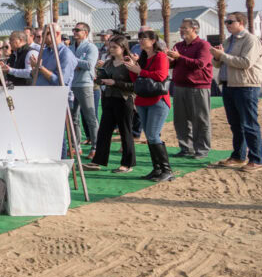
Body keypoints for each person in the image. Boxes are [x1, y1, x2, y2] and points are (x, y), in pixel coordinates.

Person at [212, 12, 262, 172]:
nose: (227, 24)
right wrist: (217, 57)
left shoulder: (251, 40)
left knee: (249, 123)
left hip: (246, 85)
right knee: (235, 124)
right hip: (229, 85)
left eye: (230, 22)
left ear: (241, 22)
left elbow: (246, 63)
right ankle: (238, 156)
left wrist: (222, 56)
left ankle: (256, 159)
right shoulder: (229, 41)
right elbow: (218, 64)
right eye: (226, 22)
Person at [125, 30, 172, 182]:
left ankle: (166, 170)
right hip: (143, 100)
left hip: (158, 99)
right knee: (150, 136)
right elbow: (136, 79)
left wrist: (140, 71)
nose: (140, 40)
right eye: (139, 38)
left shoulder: (161, 56)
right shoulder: (144, 57)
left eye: (144, 38)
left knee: (153, 135)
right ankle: (157, 169)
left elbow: (161, 76)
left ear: (153, 41)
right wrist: (133, 67)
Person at [85, 35, 136, 173]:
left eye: (115, 47)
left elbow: (134, 85)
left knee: (125, 132)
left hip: (124, 100)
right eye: (110, 46)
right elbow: (102, 80)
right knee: (104, 131)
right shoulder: (108, 63)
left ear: (123, 48)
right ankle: (98, 161)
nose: (111, 49)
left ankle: (127, 164)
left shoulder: (129, 63)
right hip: (108, 98)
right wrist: (99, 78)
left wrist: (115, 83)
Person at [167, 18, 213, 160]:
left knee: (200, 120)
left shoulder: (203, 45)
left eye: (184, 28)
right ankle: (186, 148)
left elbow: (200, 64)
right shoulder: (179, 45)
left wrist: (179, 57)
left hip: (198, 87)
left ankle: (202, 150)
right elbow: (174, 64)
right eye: (181, 28)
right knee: (181, 120)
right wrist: (170, 60)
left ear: (194, 29)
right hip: (179, 86)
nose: (181, 30)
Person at [30, 23, 79, 157]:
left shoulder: (66, 54)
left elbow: (60, 82)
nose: (42, 37)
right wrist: (35, 69)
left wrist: (40, 68)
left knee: (57, 136)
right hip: (42, 98)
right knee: (44, 134)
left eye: (45, 34)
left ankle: (61, 164)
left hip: (57, 99)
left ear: (56, 34)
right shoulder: (45, 52)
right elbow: (36, 74)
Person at [69, 22, 100, 160]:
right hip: (71, 85)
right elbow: (67, 64)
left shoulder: (91, 47)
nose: (74, 32)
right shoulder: (70, 47)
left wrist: (73, 61)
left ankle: (96, 147)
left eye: (77, 30)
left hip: (85, 84)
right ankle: (76, 146)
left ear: (85, 32)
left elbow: (89, 65)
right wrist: (75, 63)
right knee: (73, 118)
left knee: (90, 117)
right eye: (74, 30)